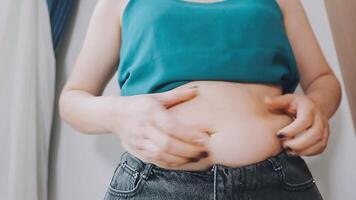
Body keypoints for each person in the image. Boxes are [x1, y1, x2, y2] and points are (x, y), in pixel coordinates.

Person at [58, 0, 342, 199]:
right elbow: (72, 100)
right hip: (154, 184)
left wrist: (316, 106)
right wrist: (117, 114)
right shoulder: (118, 2)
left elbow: (322, 80)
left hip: (276, 182)